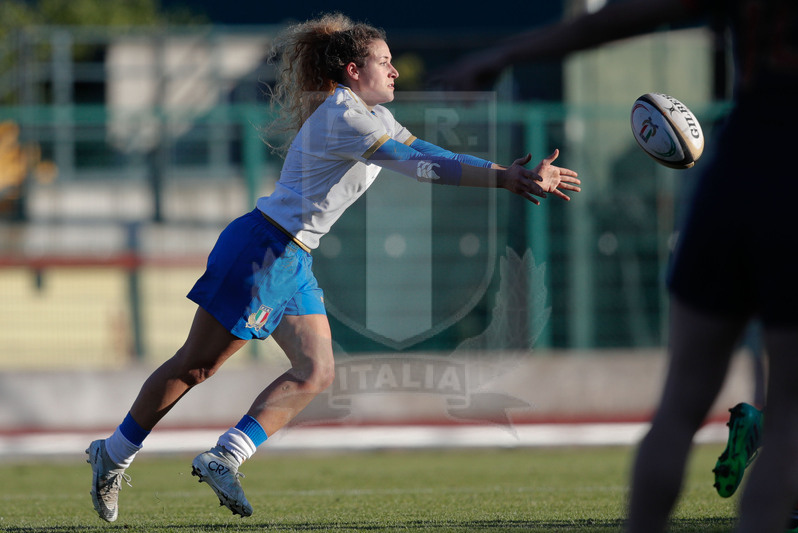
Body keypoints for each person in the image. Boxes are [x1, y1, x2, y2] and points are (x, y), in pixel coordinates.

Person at [85, 13, 581, 522]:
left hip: (293, 257)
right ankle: (115, 453)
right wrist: (505, 181)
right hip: (265, 250)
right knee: (196, 366)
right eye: (383, 62)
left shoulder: (373, 115)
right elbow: (421, 169)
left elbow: (424, 150)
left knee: (316, 372)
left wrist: (507, 172)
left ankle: (224, 457)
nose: (394, 72)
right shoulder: (345, 116)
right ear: (351, 70)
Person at [439, 1, 798, 532]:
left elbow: (620, 16)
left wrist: (502, 55)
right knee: (792, 411)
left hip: (733, 168)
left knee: (681, 402)